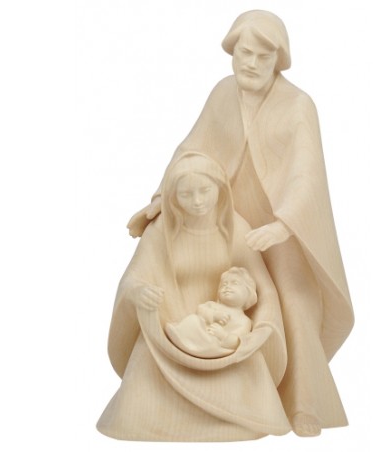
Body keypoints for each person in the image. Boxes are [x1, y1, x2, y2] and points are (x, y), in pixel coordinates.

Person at [127, 10, 355, 437]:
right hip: (221, 212)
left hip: (279, 221)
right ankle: (206, 387)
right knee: (208, 288)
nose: (250, 64)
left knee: (293, 298)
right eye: (243, 53)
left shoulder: (298, 105)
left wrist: (284, 225)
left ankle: (303, 402)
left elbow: (307, 173)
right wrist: (160, 201)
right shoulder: (222, 93)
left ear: (279, 60)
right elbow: (192, 147)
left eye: (262, 57)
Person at [97, 152, 290, 441]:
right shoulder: (161, 232)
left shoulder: (236, 228)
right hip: (169, 330)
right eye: (186, 194)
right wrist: (139, 292)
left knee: (245, 383)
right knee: (135, 413)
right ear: (172, 197)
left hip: (226, 333)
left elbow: (264, 289)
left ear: (220, 189)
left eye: (205, 190)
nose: (197, 201)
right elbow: (133, 279)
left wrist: (262, 330)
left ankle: (233, 416)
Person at [165, 266, 257, 358]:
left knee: (212, 343)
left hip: (215, 343)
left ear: (249, 292)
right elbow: (200, 310)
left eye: (235, 283)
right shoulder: (213, 305)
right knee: (193, 319)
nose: (227, 287)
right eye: (224, 284)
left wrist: (223, 335)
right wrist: (214, 315)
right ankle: (181, 335)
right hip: (201, 332)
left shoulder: (244, 321)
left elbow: (238, 341)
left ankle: (198, 346)